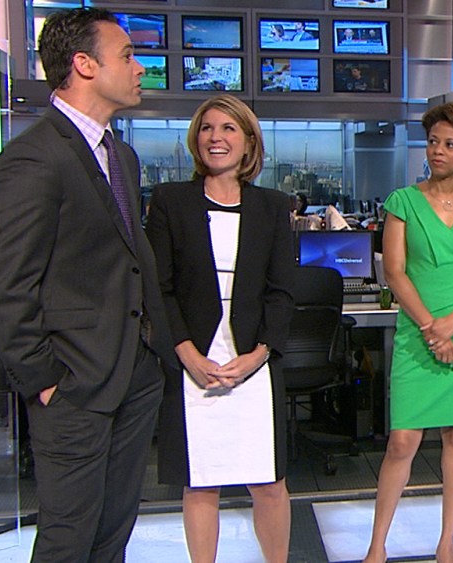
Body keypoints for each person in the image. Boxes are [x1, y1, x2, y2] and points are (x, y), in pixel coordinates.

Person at [0, 7, 176, 561]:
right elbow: (8, 285)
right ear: (85, 65)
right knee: (69, 539)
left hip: (133, 374)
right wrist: (44, 380)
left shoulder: (121, 155)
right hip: (73, 385)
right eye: (128, 56)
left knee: (113, 534)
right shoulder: (33, 158)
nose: (140, 68)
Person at [145, 94, 295, 563]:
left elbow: (281, 291)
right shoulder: (170, 202)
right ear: (196, 139)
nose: (216, 138)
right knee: (201, 481)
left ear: (248, 141)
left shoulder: (272, 206)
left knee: (268, 482)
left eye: (229, 129)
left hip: (253, 359)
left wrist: (259, 354)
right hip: (193, 358)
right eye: (208, 128)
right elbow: (159, 288)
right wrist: (186, 353)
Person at [361, 102, 453, 563]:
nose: (438, 151)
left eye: (450, 144)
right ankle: (377, 546)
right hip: (418, 330)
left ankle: (447, 542)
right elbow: (395, 272)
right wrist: (430, 327)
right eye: (433, 142)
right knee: (403, 440)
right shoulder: (402, 202)